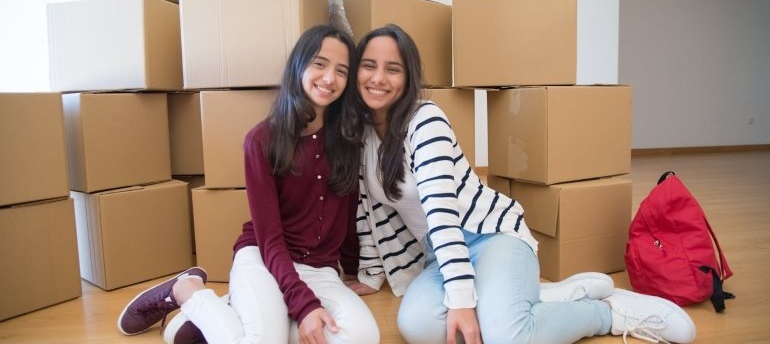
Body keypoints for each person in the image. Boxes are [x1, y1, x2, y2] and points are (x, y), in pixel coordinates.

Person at [340, 24, 697, 344]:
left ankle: (607, 312)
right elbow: (369, 212)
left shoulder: (425, 120)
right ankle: (542, 299)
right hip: (440, 255)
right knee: (418, 327)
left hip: (489, 237)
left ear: (409, 78)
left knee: (506, 338)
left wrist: (462, 301)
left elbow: (442, 214)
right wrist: (371, 275)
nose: (378, 78)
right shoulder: (363, 136)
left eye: (393, 69)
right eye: (369, 66)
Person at [116, 24, 379, 344]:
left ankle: (228, 314)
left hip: (320, 270)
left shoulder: (349, 141)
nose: (329, 78)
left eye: (341, 71)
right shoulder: (261, 140)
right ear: (299, 66)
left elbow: (348, 217)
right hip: (265, 258)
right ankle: (188, 291)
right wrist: (304, 304)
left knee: (363, 336)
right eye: (319, 64)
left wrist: (356, 269)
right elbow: (270, 239)